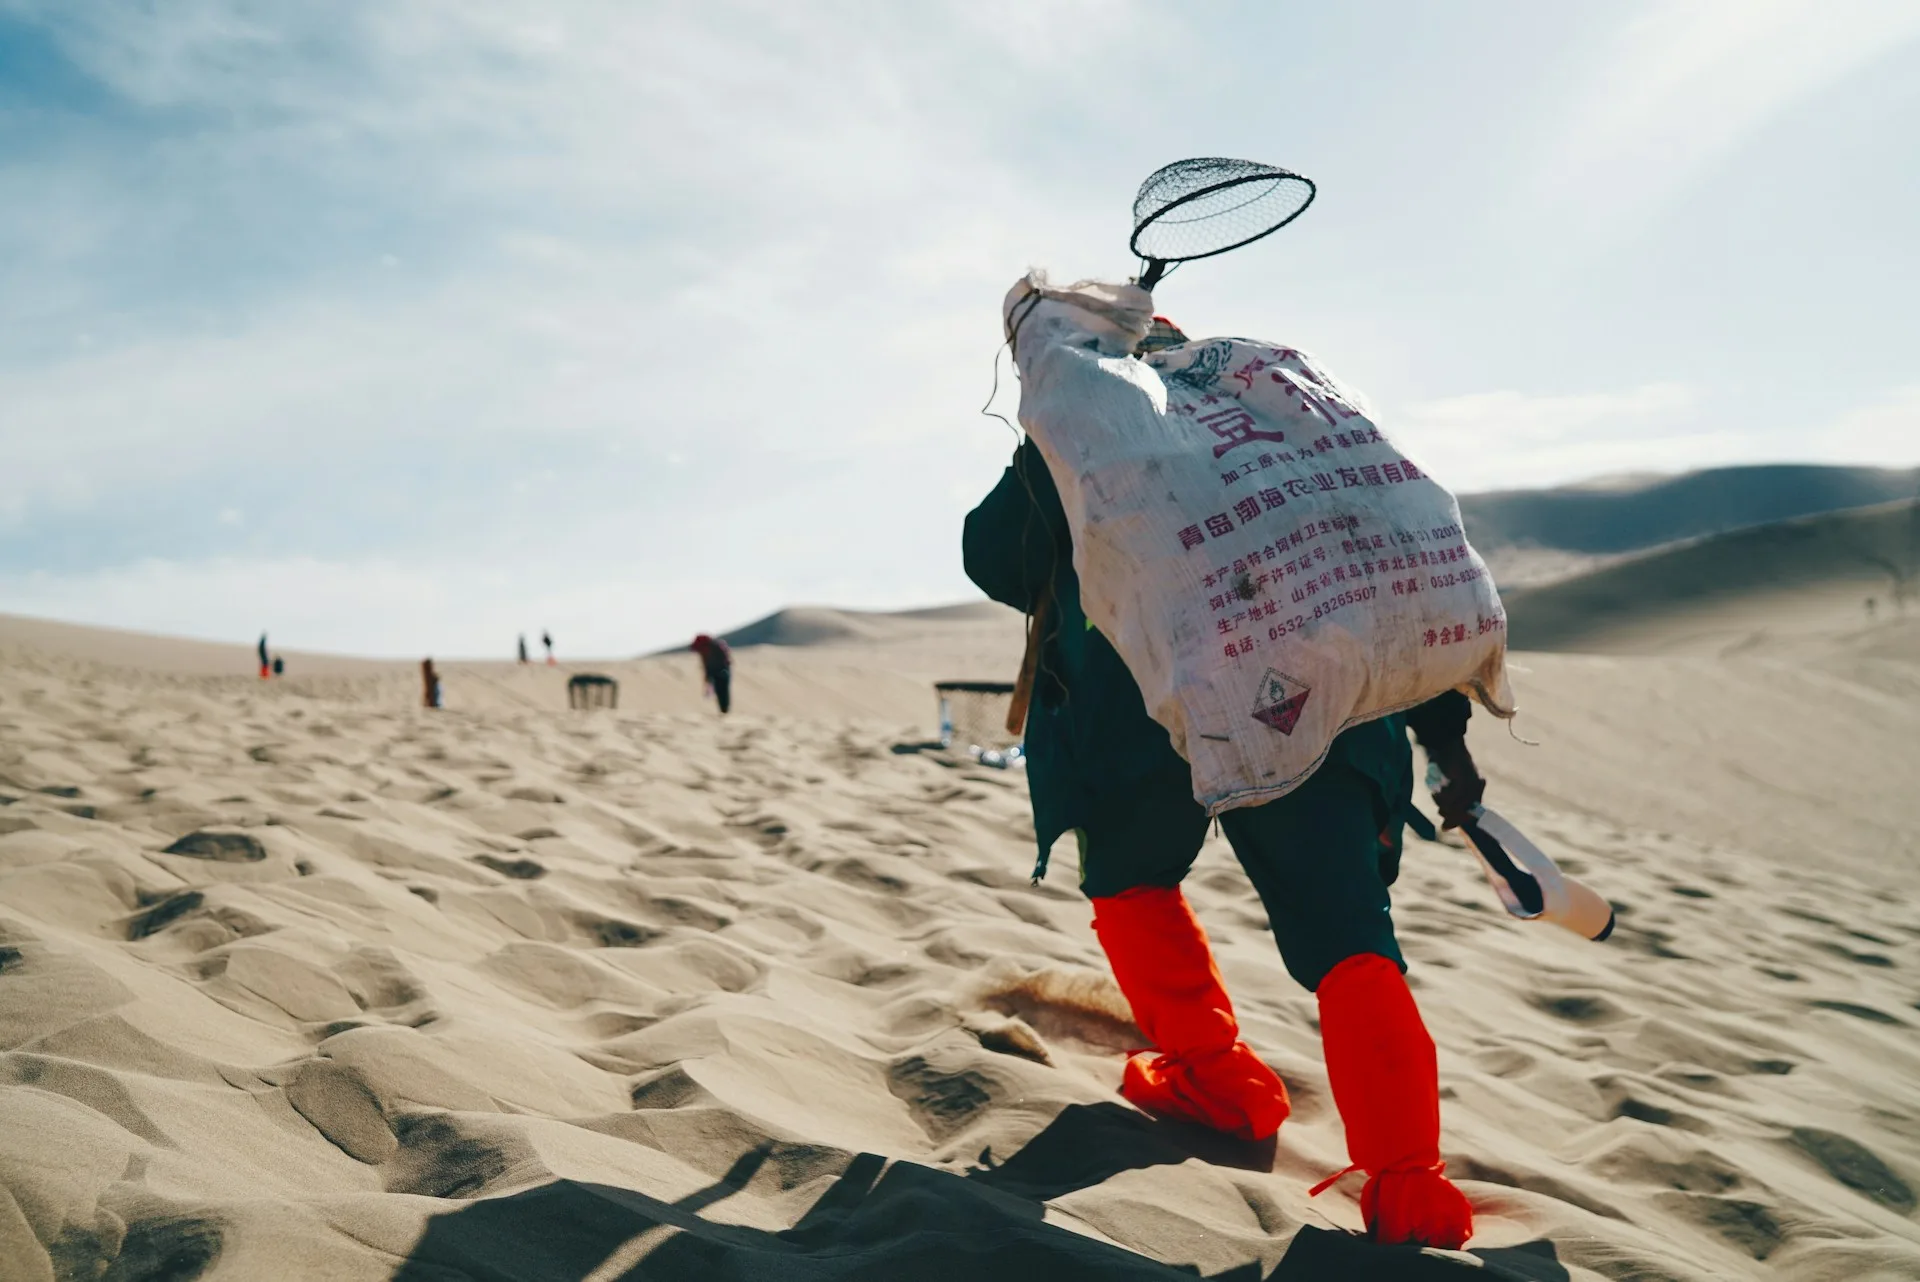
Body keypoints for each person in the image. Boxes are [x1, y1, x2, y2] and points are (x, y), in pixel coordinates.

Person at [962, 347, 1482, 1250]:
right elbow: (1386, 575)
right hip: (1325, 697)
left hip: (1142, 710)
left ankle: (1219, 1078)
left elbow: (998, 562)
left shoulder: (1092, 437)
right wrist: (1444, 742)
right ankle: (1408, 1185)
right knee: (1350, 932)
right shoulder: (1282, 427)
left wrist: (1044, 433)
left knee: (1131, 883)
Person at [690, 635, 732, 714]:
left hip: (721, 671)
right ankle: (724, 710)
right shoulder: (706, 649)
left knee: (722, 690)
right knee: (720, 690)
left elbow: (721, 661)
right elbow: (706, 664)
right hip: (716, 671)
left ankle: (724, 710)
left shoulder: (712, 648)